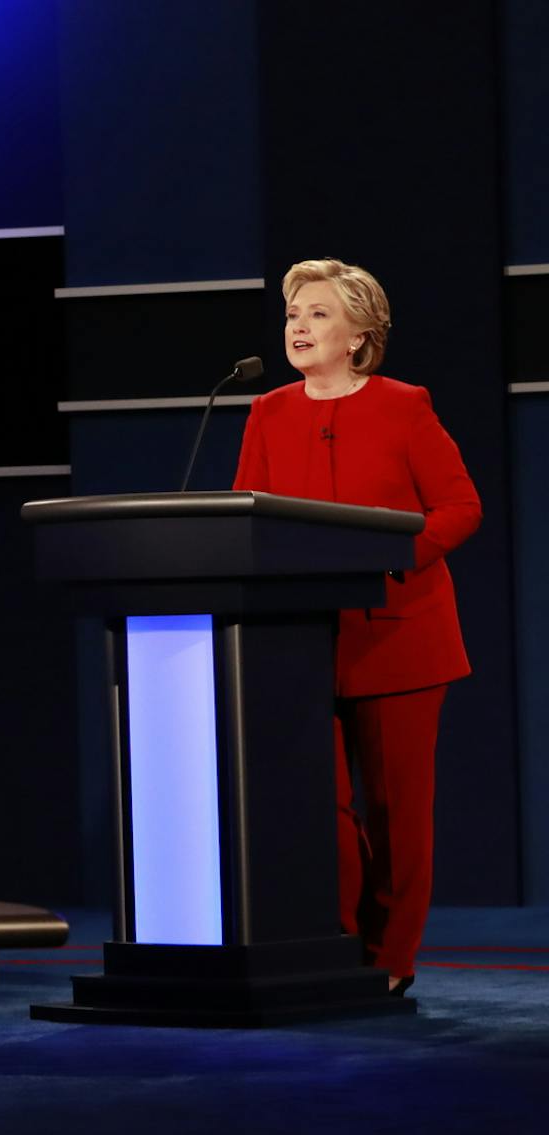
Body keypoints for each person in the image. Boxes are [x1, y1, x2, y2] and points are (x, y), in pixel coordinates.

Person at [232, 258, 482, 995]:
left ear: (359, 335)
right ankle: (335, 945)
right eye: (292, 316)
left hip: (400, 636)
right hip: (301, 642)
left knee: (397, 813)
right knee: (319, 807)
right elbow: (248, 517)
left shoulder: (406, 406)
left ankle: (390, 959)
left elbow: (459, 509)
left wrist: (391, 561)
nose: (299, 328)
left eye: (317, 315)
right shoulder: (267, 413)